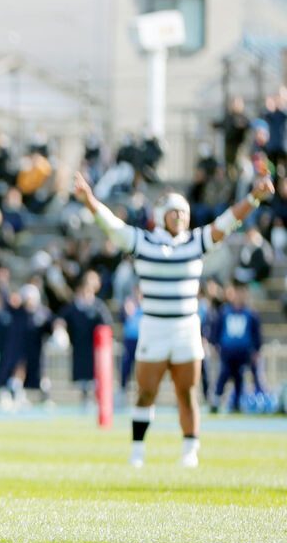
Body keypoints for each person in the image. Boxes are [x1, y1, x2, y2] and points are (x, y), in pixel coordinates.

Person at [73, 171, 274, 467]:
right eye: (174, 212)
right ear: (161, 216)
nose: (180, 217)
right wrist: (90, 201)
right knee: (146, 392)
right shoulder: (143, 241)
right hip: (153, 326)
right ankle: (138, 450)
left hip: (186, 328)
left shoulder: (195, 241)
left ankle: (190, 449)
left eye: (183, 212)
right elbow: (113, 226)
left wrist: (254, 198)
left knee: (187, 391)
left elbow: (227, 222)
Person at [53, 270, 112, 406]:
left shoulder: (98, 307)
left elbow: (106, 324)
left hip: (93, 348)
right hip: (79, 346)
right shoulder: (74, 307)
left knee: (95, 375)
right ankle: (84, 397)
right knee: (82, 376)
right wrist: (59, 325)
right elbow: (61, 318)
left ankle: (95, 398)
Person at [209, 284, 265, 412]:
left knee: (239, 376)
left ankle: (237, 403)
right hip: (227, 351)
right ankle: (216, 400)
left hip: (243, 351)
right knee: (224, 374)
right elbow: (216, 330)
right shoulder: (225, 311)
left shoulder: (251, 314)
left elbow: (257, 334)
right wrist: (215, 345)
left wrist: (256, 350)